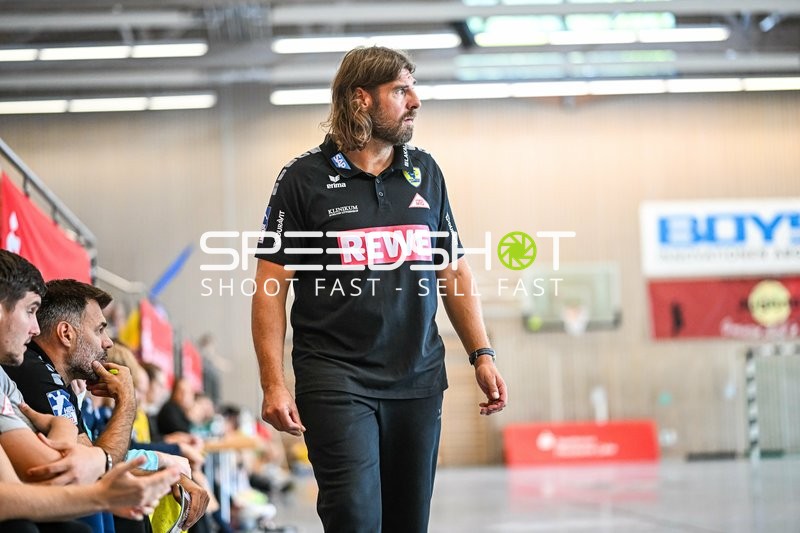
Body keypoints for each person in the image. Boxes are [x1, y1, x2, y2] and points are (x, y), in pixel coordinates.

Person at [251, 46, 508, 533]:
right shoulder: (302, 179)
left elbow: (452, 271)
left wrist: (483, 353)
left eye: (412, 88)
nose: (415, 101)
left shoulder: (425, 172)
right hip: (335, 374)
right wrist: (273, 381)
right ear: (361, 99)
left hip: (417, 373)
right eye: (401, 90)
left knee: (408, 522)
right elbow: (269, 286)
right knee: (354, 514)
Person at [4, 278, 210, 531]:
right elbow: (97, 468)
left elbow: (96, 463)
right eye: (100, 329)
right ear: (66, 334)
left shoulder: (54, 378)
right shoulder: (34, 370)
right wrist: (126, 401)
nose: (108, 342)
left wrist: (164, 477)